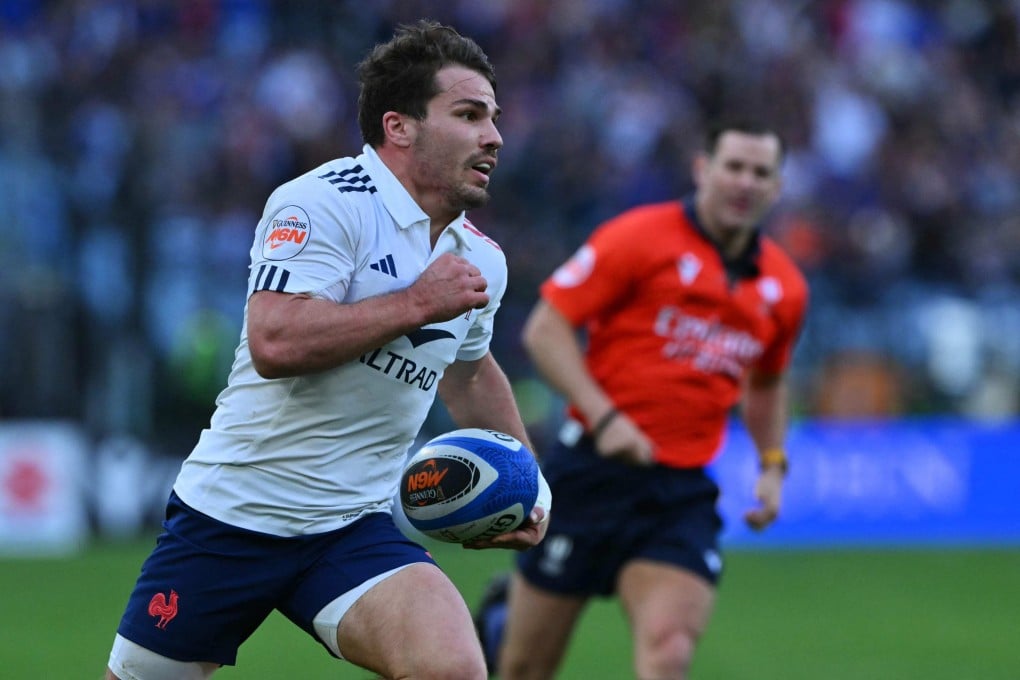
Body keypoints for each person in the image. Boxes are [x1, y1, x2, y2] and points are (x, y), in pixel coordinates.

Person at [105, 19, 547, 680]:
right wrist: (416, 304)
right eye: (469, 114)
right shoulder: (323, 203)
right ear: (400, 126)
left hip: (351, 527)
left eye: (493, 117)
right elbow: (275, 339)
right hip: (234, 516)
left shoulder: (479, 256)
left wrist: (531, 486)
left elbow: (470, 371)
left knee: (452, 668)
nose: (494, 136)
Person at [475, 117, 809, 679]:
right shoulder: (637, 237)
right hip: (590, 471)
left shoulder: (786, 288)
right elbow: (545, 331)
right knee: (525, 668)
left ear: (776, 188)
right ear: (703, 170)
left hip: (678, 492)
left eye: (760, 172)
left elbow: (768, 383)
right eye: (733, 167)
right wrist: (607, 419)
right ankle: (504, 619)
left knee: (670, 650)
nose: (744, 182)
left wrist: (773, 463)